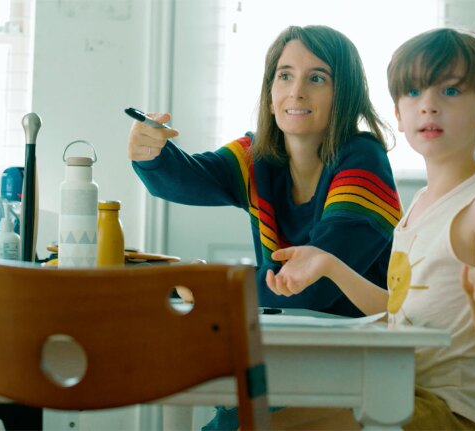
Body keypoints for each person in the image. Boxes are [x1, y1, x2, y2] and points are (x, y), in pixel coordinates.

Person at [128, 25, 401, 430]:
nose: (297, 91)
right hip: (287, 351)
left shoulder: (363, 160)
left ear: (344, 95)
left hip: (353, 362)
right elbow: (182, 177)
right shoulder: (258, 156)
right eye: (285, 75)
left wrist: (208, 286)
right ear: (270, 92)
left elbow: (314, 288)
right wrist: (150, 152)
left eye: (317, 78)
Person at [265, 28, 475, 430]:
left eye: (450, 92)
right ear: (399, 116)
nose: (429, 106)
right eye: (414, 93)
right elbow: (397, 311)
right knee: (263, 420)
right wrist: (330, 265)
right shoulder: (419, 207)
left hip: (452, 413)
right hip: (403, 391)